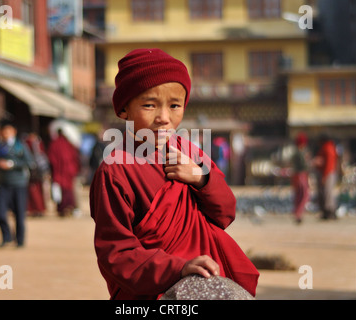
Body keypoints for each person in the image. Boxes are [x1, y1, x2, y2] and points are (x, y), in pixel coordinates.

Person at [89, 48, 259, 300]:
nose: (164, 118)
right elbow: (116, 253)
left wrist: (201, 178)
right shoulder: (116, 170)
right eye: (149, 105)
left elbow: (225, 213)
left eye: (175, 105)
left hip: (208, 279)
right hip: (154, 289)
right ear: (124, 109)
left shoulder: (189, 152)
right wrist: (177, 268)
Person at [0, 120, 34, 248]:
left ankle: (19, 240)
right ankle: (6, 237)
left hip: (19, 184)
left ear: (14, 131)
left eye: (8, 130)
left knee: (19, 214)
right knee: (0, 212)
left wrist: (13, 164)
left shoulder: (20, 146)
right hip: (3, 184)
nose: (6, 133)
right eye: (4, 130)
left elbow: (30, 162)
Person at [47, 128, 80, 217]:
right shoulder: (69, 144)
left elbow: (51, 158)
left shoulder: (54, 144)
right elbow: (75, 157)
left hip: (60, 171)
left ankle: (62, 208)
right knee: (68, 190)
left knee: (61, 190)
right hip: (68, 171)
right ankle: (69, 206)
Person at [313, 134, 338, 220]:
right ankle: (325, 211)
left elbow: (329, 164)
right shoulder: (326, 147)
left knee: (328, 193)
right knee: (324, 193)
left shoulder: (328, 148)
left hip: (328, 173)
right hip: (325, 173)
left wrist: (324, 176)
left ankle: (330, 212)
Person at [24, 132, 49, 217]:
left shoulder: (37, 143)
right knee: (32, 191)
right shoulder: (27, 144)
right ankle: (34, 209)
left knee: (37, 191)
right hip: (31, 171)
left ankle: (39, 209)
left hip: (37, 171)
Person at [290, 132, 310, 224]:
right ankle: (298, 213)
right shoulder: (300, 153)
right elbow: (304, 165)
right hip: (301, 175)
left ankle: (297, 213)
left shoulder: (295, 153)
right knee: (303, 195)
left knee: (299, 195)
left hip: (296, 175)